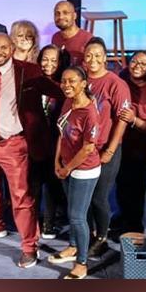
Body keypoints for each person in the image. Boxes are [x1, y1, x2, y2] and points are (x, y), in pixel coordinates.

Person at [0, 33, 62, 268]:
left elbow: (58, 91)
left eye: (4, 47)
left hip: (14, 142)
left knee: (21, 197)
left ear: (11, 48)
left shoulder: (28, 70)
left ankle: (30, 247)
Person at [47, 66, 101, 279]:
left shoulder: (90, 113)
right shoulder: (68, 102)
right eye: (64, 81)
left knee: (78, 217)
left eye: (72, 81)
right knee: (72, 210)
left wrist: (67, 168)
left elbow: (88, 148)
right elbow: (61, 134)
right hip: (66, 166)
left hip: (84, 170)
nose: (66, 85)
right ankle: (72, 246)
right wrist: (57, 162)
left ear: (83, 84)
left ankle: (82, 263)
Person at [83, 37, 132, 257]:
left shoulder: (116, 84)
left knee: (99, 196)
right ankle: (89, 233)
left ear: (105, 57)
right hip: (85, 150)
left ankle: (102, 237)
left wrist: (110, 150)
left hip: (106, 148)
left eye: (97, 55)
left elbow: (122, 120)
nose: (93, 59)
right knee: (85, 196)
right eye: (88, 55)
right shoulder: (81, 80)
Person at [111, 51, 146, 236]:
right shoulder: (123, 78)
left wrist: (134, 120)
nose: (137, 66)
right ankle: (123, 218)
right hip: (122, 143)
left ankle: (134, 229)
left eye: (143, 64)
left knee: (136, 187)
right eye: (134, 61)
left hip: (141, 149)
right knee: (121, 184)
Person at [35, 45, 69, 239]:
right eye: (45, 59)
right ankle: (33, 223)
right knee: (33, 184)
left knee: (51, 184)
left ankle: (49, 223)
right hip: (33, 141)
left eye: (54, 60)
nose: (48, 64)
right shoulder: (33, 83)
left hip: (55, 142)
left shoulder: (63, 86)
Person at [51, 0, 93, 66]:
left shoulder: (87, 39)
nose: (61, 17)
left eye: (65, 13)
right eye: (57, 13)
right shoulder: (55, 37)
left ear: (74, 16)